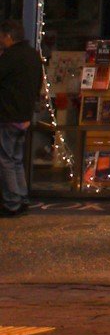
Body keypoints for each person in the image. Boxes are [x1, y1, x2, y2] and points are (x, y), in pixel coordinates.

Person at [0, 19, 44, 218]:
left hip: (8, 114)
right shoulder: (33, 56)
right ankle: (22, 196)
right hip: (24, 116)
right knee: (16, 159)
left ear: (8, 36)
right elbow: (38, 85)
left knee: (7, 159)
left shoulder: (10, 57)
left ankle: (13, 201)